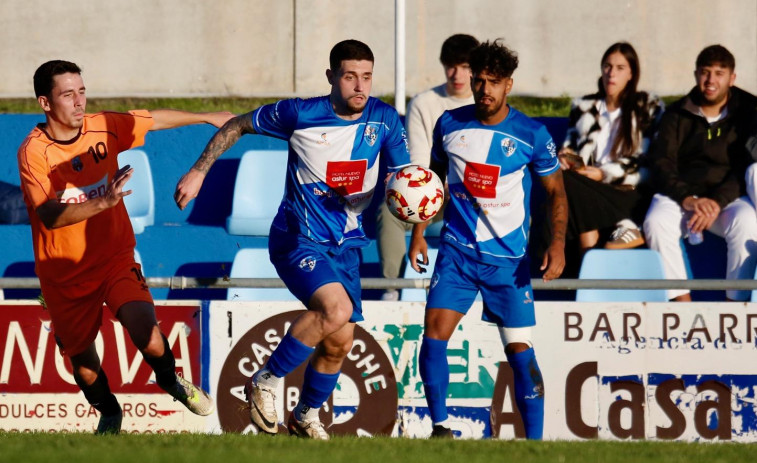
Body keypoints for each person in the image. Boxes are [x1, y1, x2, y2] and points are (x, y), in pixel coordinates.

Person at [174, 40, 411, 439]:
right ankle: (264, 381)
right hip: (297, 238)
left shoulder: (385, 119)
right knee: (334, 309)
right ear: (331, 76)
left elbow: (404, 177)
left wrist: (400, 191)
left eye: (367, 77)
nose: (360, 86)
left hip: (347, 246)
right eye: (350, 76)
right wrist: (200, 171)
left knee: (340, 341)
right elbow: (236, 124)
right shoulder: (299, 113)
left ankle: (305, 415)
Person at [16, 60, 232, 434]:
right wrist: (103, 202)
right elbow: (50, 215)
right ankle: (110, 411)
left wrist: (208, 116)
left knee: (146, 332)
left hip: (114, 257)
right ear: (45, 103)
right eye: (67, 95)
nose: (79, 101)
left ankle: (169, 379)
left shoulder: (104, 125)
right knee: (83, 364)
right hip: (64, 273)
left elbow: (152, 119)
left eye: (82, 91)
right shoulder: (34, 153)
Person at [408, 39, 567, 439]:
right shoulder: (449, 124)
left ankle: (534, 444)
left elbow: (556, 193)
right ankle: (441, 428)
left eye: (493, 82)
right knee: (433, 333)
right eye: (479, 81)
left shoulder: (532, 134)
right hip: (457, 253)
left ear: (509, 84)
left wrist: (557, 244)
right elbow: (431, 182)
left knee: (520, 354)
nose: (484, 90)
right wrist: (418, 234)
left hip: (508, 260)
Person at [643, 45, 757, 302]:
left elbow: (745, 166)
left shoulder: (749, 111)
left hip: (727, 199)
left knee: (748, 223)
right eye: (705, 72)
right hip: (683, 196)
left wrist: (716, 202)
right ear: (696, 74)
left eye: (719, 73)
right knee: (656, 222)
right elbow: (662, 163)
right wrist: (688, 199)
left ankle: (734, 311)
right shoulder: (677, 112)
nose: (711, 80)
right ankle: (682, 309)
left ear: (732, 78)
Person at [376, 33, 479, 301]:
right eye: (451, 66)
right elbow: (419, 163)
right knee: (389, 214)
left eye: (465, 67)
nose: (457, 74)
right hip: (432, 195)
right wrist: (438, 190)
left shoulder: (485, 104)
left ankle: (492, 291)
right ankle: (392, 291)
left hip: (471, 197)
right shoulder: (424, 104)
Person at [559, 42, 663, 253]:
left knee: (570, 193)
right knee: (568, 183)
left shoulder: (647, 107)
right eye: (607, 66)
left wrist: (602, 173)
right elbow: (569, 148)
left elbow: (648, 161)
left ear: (631, 73)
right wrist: (566, 157)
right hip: (587, 186)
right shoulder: (584, 107)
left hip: (627, 191)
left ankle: (585, 262)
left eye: (619, 68)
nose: (611, 73)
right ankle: (596, 250)